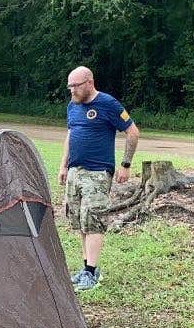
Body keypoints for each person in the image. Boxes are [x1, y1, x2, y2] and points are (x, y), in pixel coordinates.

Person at [58, 66, 139, 291]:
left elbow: (132, 132)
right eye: (69, 86)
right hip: (75, 171)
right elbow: (70, 134)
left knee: (94, 220)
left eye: (75, 86)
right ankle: (86, 269)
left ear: (89, 83)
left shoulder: (108, 104)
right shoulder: (72, 107)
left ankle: (92, 273)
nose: (72, 91)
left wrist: (125, 165)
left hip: (97, 173)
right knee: (79, 220)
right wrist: (63, 166)